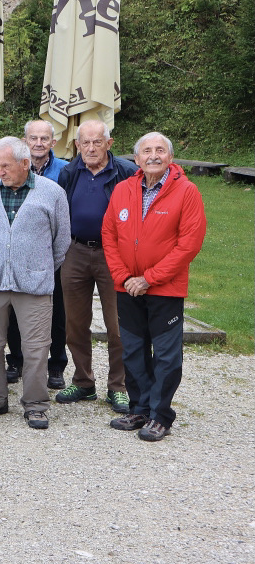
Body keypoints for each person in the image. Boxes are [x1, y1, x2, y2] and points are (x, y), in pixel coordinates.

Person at [102, 132, 206, 442]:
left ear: (170, 158)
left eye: (160, 150)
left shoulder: (187, 192)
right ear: (136, 159)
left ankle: (161, 415)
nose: (153, 155)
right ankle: (139, 407)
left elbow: (189, 244)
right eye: (146, 151)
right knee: (132, 351)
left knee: (165, 356)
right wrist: (123, 278)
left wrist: (149, 278)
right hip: (127, 289)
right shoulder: (123, 189)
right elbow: (109, 234)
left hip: (164, 289)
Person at [0, 136, 70, 429]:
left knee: (36, 348)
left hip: (36, 284)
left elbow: (61, 240)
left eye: (5, 165)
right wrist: (5, 261)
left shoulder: (52, 192)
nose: (0, 171)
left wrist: (36, 267)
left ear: (25, 163)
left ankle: (36, 405)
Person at [55, 120, 137, 413]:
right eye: (85, 143)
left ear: (109, 144)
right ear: (77, 145)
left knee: (118, 325)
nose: (91, 148)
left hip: (114, 256)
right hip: (75, 251)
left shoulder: (126, 172)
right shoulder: (68, 173)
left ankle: (119, 386)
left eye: (97, 142)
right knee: (75, 324)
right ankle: (83, 381)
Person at [7, 118, 70, 386]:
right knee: (13, 307)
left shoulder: (65, 171)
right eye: (33, 138)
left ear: (53, 142)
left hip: (52, 252)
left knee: (56, 310)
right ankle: (17, 360)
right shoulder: (12, 167)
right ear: (25, 141)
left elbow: (65, 217)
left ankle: (55, 365)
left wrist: (56, 257)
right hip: (19, 252)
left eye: (44, 138)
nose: (39, 143)